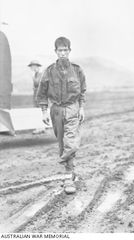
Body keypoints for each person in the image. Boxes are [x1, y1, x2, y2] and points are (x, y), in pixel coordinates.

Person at [36, 37, 86, 194]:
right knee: (62, 144)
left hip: (72, 109)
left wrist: (82, 108)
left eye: (65, 50)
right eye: (60, 51)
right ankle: (69, 174)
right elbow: (42, 92)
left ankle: (66, 173)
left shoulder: (77, 70)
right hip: (56, 110)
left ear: (69, 51)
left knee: (71, 142)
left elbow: (82, 91)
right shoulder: (49, 71)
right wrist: (44, 111)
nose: (63, 53)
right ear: (55, 52)